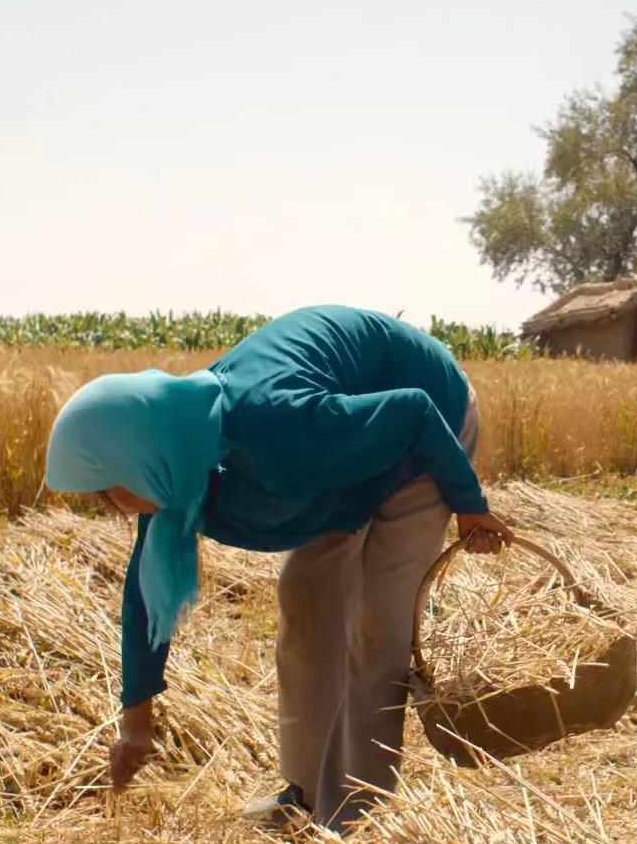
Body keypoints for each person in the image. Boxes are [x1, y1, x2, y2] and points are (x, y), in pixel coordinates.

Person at [43, 305, 515, 834]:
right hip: (341, 456)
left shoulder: (275, 430)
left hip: (427, 431)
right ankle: (305, 794)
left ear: (137, 457)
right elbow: (145, 601)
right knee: (306, 601)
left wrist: (469, 505)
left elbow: (415, 413)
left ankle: (360, 813)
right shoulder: (177, 461)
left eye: (107, 490)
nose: (110, 505)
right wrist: (136, 725)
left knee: (379, 625)